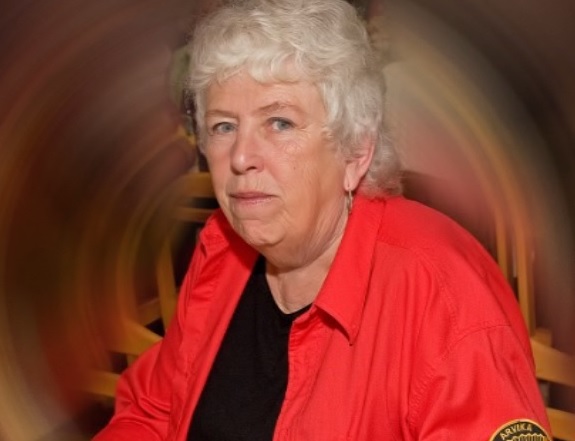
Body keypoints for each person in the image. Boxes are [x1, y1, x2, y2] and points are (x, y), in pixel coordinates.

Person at [94, 0, 551, 440]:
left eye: (280, 123)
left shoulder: (443, 299)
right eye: (224, 126)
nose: (241, 156)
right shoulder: (222, 251)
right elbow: (155, 411)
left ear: (355, 151)